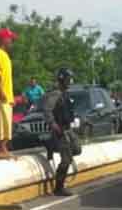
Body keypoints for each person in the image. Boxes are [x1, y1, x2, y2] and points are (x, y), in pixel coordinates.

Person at [43, 68, 81, 196]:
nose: (70, 82)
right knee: (66, 159)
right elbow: (47, 111)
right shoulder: (55, 93)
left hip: (68, 128)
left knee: (77, 149)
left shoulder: (65, 93)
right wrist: (53, 125)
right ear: (62, 79)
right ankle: (59, 187)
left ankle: (52, 146)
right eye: (68, 79)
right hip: (59, 130)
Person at [0, 27, 18, 158]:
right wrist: (1, 91)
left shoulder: (6, 55)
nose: (11, 41)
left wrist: (12, 97)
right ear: (3, 39)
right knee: (2, 123)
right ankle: (1, 149)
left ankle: (4, 148)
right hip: (1, 95)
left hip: (7, 95)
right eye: (10, 39)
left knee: (7, 123)